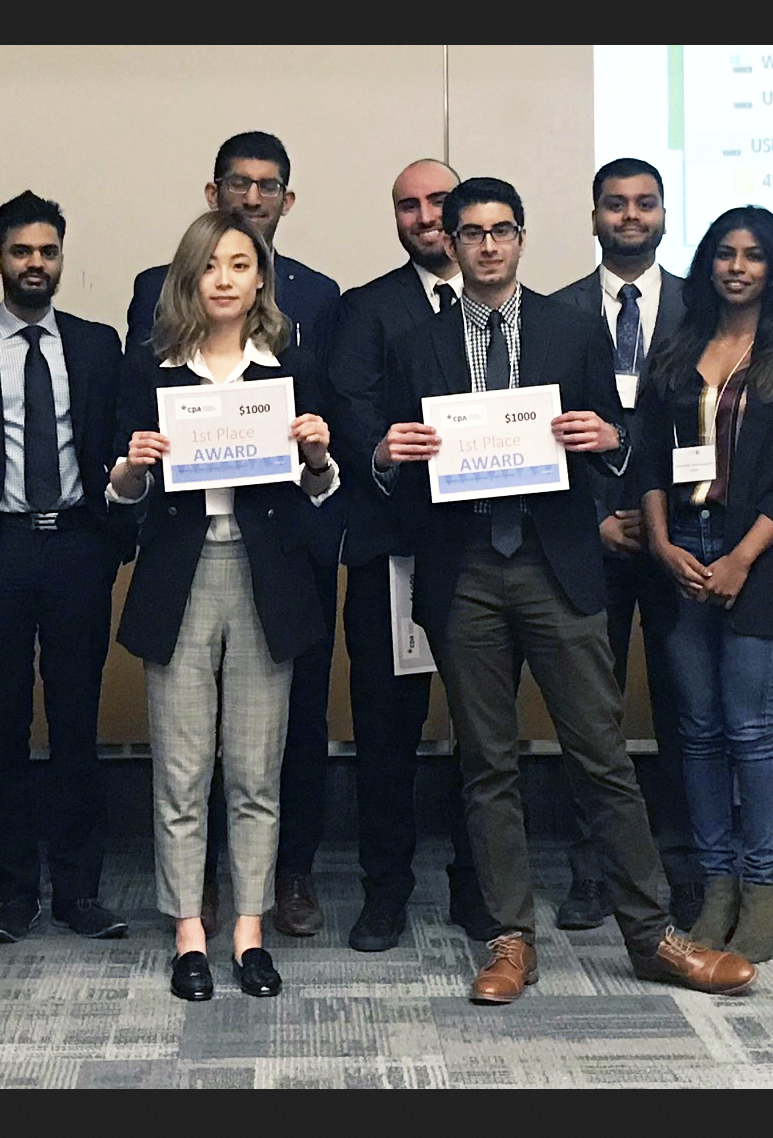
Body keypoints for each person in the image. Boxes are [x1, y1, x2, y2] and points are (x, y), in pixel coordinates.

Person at [362, 176, 757, 1003]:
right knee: (487, 764)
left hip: (556, 564)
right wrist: (385, 456)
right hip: (463, 567)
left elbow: (624, 447)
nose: (488, 245)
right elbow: (393, 465)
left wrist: (610, 438)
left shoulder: (570, 329)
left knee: (602, 756)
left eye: (503, 230)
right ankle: (510, 940)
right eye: (471, 232)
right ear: (453, 243)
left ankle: (652, 936)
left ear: (523, 237)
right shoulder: (414, 340)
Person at [109, 209, 339, 1000]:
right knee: (179, 771)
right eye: (211, 266)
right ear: (189, 278)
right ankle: (188, 935)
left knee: (254, 770)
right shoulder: (151, 369)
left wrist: (316, 455)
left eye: (240, 265)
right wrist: (132, 467)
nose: (225, 280)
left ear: (259, 279)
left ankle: (249, 933)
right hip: (181, 577)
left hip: (266, 578)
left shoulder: (291, 366)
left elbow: (318, 488)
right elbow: (122, 496)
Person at [634, 206, 773, 964]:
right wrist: (659, 545)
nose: (736, 267)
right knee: (698, 729)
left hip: (761, 558)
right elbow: (649, 458)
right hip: (682, 549)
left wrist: (742, 558)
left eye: (752, 255)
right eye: (723, 254)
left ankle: (760, 885)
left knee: (750, 727)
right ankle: (715, 882)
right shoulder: (678, 351)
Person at [0, 191, 132, 943]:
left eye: (47, 251)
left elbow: (114, 442)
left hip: (78, 543)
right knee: (6, 722)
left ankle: (80, 891)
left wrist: (117, 533)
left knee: (78, 721)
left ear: (61, 256)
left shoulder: (95, 342)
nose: (35, 264)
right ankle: (16, 893)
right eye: (21, 252)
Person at [328, 158, 498, 952]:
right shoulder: (366, 308)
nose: (425, 217)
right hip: (394, 548)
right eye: (408, 206)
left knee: (482, 730)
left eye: (439, 202)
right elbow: (351, 411)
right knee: (387, 731)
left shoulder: (512, 312)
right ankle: (385, 891)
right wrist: (383, 451)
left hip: (491, 554)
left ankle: (479, 888)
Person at [550, 157, 697, 931]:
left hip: (686, 539)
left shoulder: (703, 309)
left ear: (664, 214)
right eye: (616, 204)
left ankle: (681, 868)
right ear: (595, 214)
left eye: (645, 204)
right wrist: (595, 518)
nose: (630, 216)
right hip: (592, 539)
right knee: (591, 716)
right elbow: (542, 439)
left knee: (685, 711)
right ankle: (593, 871)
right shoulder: (557, 311)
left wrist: (664, 519)